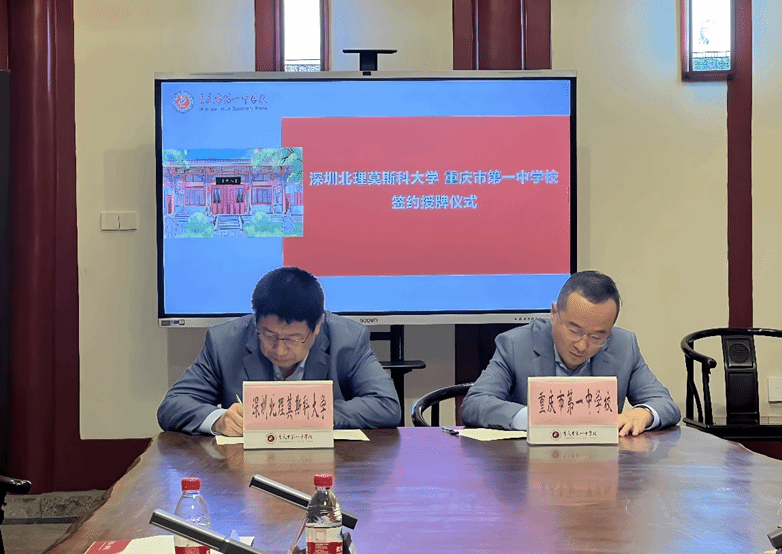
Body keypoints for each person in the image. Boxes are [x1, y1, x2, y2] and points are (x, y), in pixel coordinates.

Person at [157, 266, 401, 434]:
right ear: (256, 321)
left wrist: (310, 415)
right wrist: (218, 420)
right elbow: (173, 404)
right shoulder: (224, 342)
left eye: (293, 338)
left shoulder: (348, 339)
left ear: (317, 325)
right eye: (269, 335)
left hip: (329, 468)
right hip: (244, 472)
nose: (280, 350)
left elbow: (386, 405)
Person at [461, 270, 680, 436]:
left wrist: (643, 413)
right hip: (531, 467)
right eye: (574, 331)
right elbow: (475, 403)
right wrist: (534, 418)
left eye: (597, 337)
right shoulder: (516, 344)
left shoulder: (624, 345)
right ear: (554, 313)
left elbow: (664, 403)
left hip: (600, 468)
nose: (582, 346)